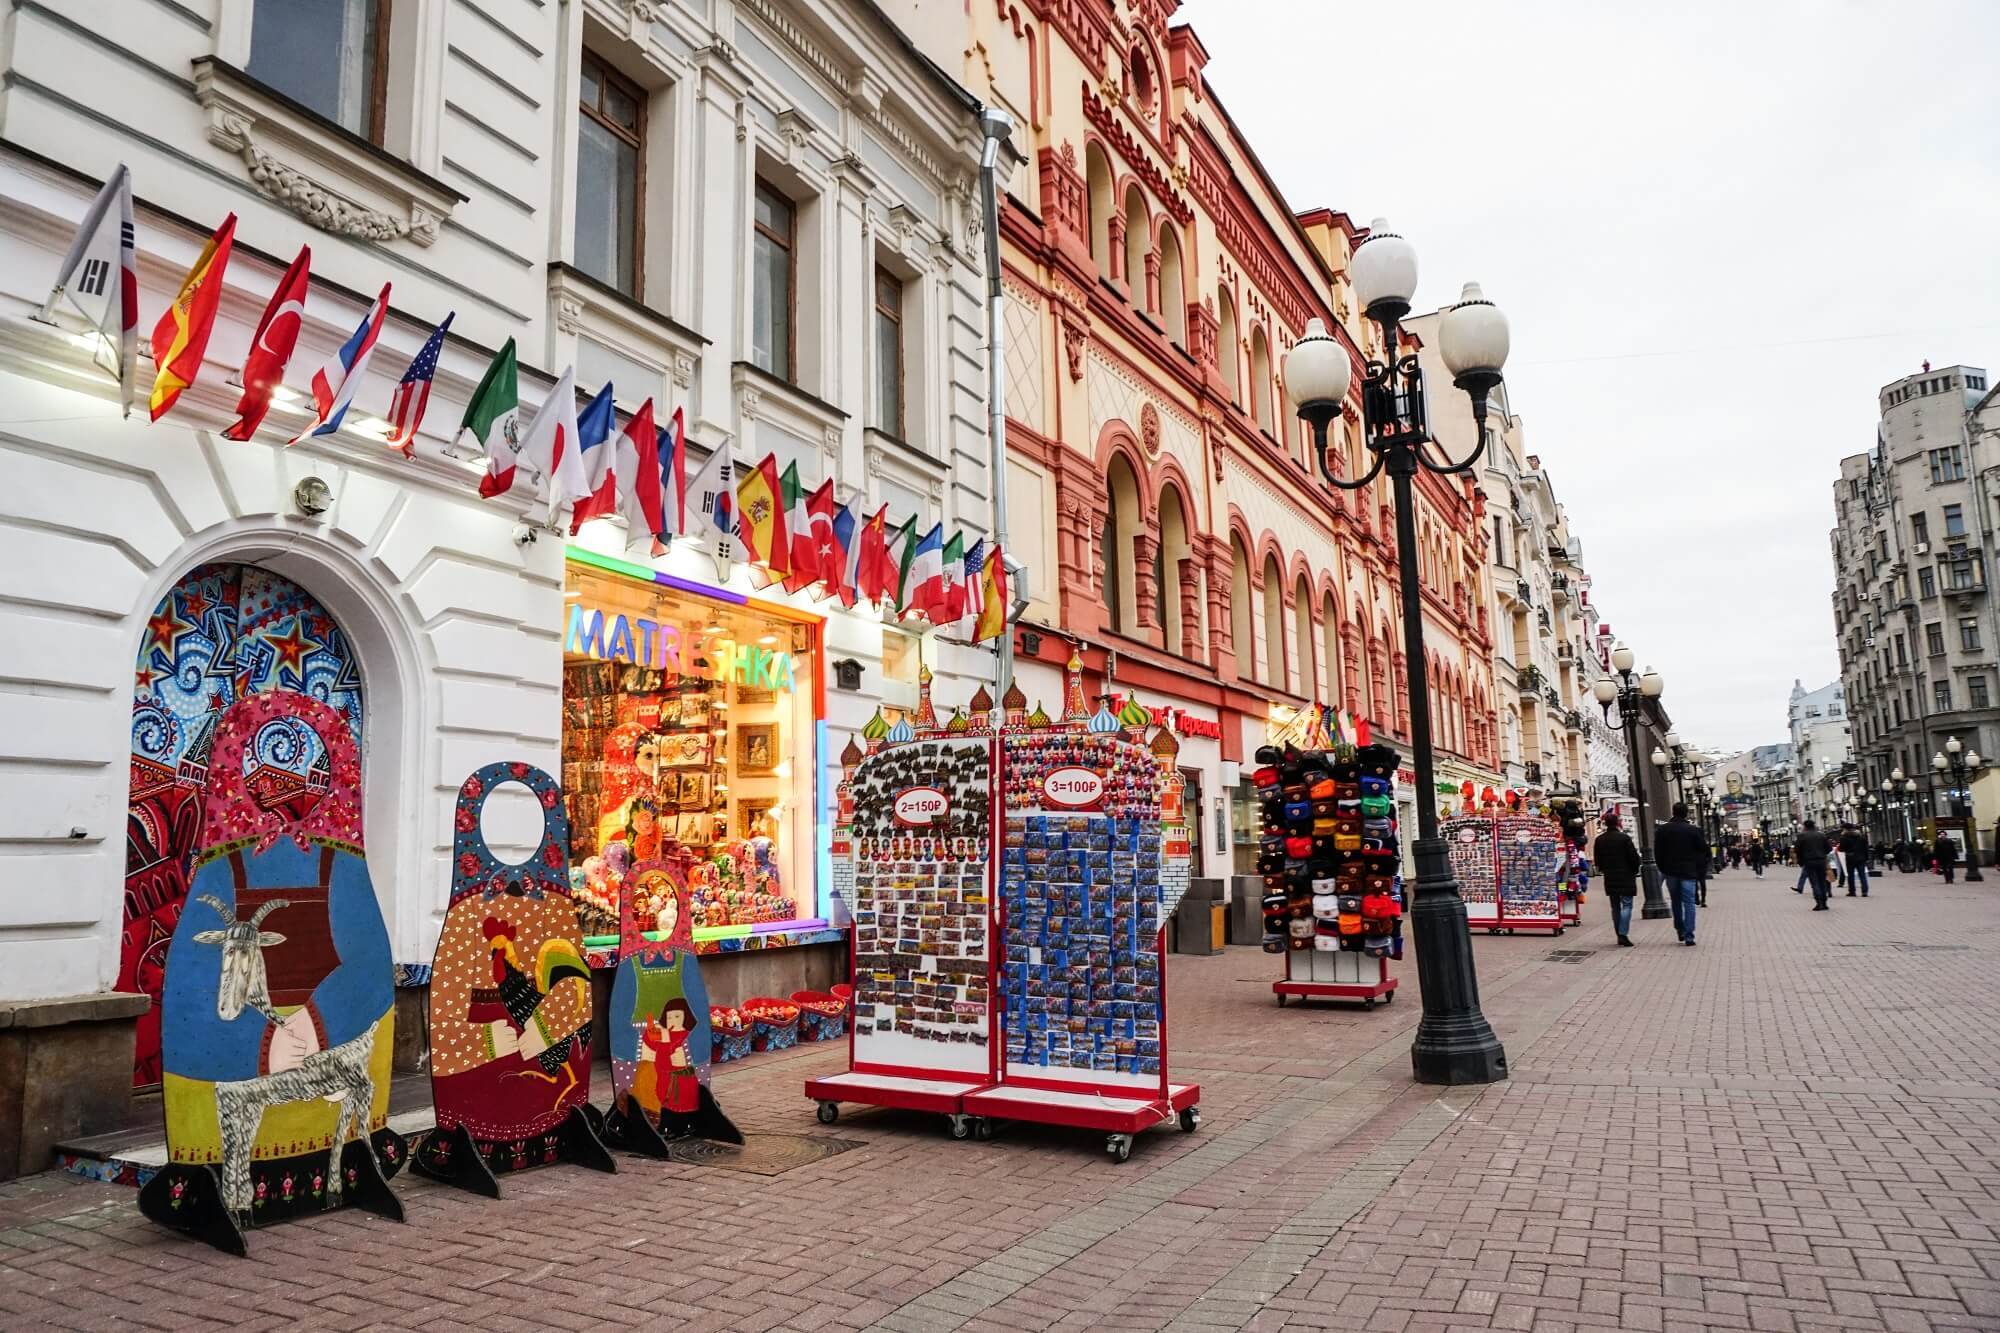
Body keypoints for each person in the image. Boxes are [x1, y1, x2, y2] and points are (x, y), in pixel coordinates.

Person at [1654, 802, 1707, 945]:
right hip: (1689, 872)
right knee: (1689, 903)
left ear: (1673, 812)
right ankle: (1689, 935)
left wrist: (1663, 868)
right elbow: (1703, 850)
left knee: (1676, 902)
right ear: (1686, 814)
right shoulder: (1693, 830)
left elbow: (1658, 852)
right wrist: (1697, 867)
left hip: (1671, 872)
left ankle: (1680, 928)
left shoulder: (1663, 830)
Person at [1593, 813, 1641, 947]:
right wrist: (1635, 869)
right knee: (1627, 904)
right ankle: (1623, 933)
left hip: (1610, 876)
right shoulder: (1624, 838)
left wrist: (1604, 869)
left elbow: (1598, 860)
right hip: (1626, 876)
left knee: (1615, 907)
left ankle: (1619, 933)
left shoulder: (1600, 840)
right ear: (1617, 823)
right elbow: (1633, 857)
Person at [1796, 820, 1833, 909]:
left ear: (1805, 826)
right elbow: (1829, 849)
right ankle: (1824, 903)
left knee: (1814, 882)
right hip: (1821, 861)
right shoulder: (1821, 835)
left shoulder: (1801, 836)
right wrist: (1822, 853)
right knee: (1822, 881)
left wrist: (1800, 861)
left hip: (1809, 861)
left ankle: (1819, 902)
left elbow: (1798, 850)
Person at [1838, 824, 1871, 898]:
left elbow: (1841, 849)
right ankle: (1864, 891)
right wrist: (1866, 858)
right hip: (1861, 858)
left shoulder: (1844, 837)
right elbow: (1866, 848)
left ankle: (1852, 891)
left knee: (1851, 875)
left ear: (1845, 829)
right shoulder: (1861, 837)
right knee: (1862, 875)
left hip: (1850, 858)